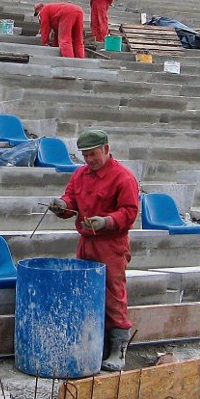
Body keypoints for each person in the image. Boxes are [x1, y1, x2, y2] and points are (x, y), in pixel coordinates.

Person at [48, 129, 140, 372]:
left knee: (113, 294)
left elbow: (129, 212)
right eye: (85, 155)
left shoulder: (123, 177)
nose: (89, 160)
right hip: (86, 242)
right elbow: (71, 201)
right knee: (86, 292)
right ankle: (93, 344)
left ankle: (118, 349)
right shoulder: (80, 175)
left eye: (93, 154)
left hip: (111, 245)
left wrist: (106, 221)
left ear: (106, 149)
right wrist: (62, 206)